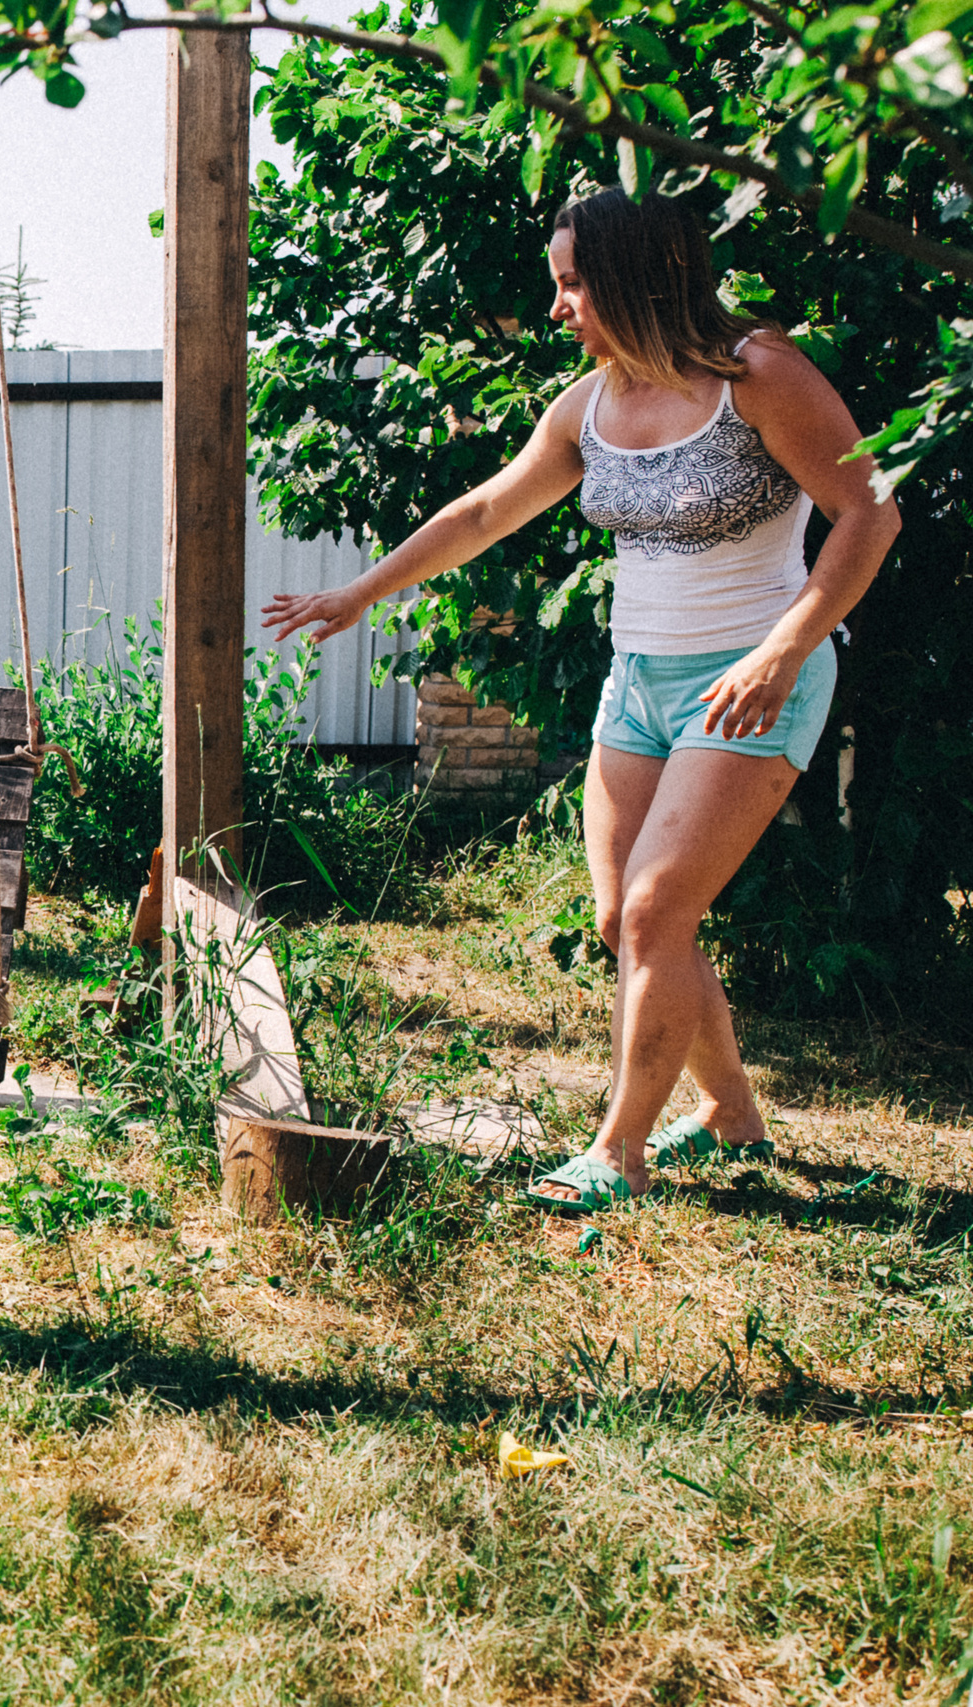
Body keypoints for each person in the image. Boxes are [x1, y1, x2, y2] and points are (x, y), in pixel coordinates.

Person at [261, 187, 900, 1215]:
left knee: (656, 910)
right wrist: (357, 592)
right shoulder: (589, 405)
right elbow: (483, 510)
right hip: (637, 683)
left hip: (751, 678)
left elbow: (868, 512)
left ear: (646, 276)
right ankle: (732, 1118)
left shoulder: (759, 378)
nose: (558, 306)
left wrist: (784, 651)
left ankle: (619, 1152)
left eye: (573, 283)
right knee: (624, 918)